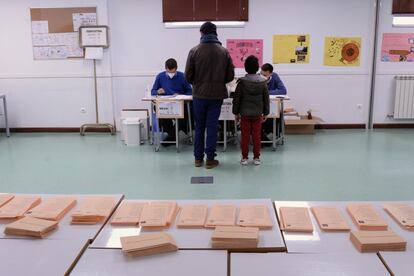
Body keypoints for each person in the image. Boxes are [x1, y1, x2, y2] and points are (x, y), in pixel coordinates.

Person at [185, 22, 235, 169]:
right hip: (216, 96)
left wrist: (198, 82)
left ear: (202, 33)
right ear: (215, 33)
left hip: (199, 95)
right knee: (212, 127)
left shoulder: (194, 51)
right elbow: (230, 76)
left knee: (199, 127)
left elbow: (188, 77)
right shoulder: (224, 51)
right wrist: (219, 81)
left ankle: (198, 159)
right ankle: (210, 160)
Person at [233, 55, 270, 166]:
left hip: (244, 114)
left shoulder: (241, 82)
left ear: (245, 68)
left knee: (244, 136)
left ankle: (244, 158)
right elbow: (266, 99)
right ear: (257, 68)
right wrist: (266, 112)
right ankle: (256, 158)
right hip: (258, 113)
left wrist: (236, 113)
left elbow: (237, 99)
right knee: (256, 136)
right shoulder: (263, 82)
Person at [151, 58, 192, 143]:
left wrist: (180, 95)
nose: (170, 74)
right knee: (160, 112)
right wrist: (157, 91)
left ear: (176, 68)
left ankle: (171, 137)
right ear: (165, 68)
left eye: (172, 72)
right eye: (168, 72)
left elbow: (190, 91)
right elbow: (153, 91)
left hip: (180, 104)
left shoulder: (182, 76)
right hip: (165, 104)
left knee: (185, 115)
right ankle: (172, 134)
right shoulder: (160, 76)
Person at [260, 63, 287, 143]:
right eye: (262, 74)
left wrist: (267, 92)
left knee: (278, 114)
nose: (263, 77)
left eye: (265, 75)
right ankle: (263, 136)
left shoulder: (275, 76)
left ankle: (272, 135)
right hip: (260, 107)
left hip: (272, 106)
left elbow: (283, 91)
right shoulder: (257, 77)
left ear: (271, 73)